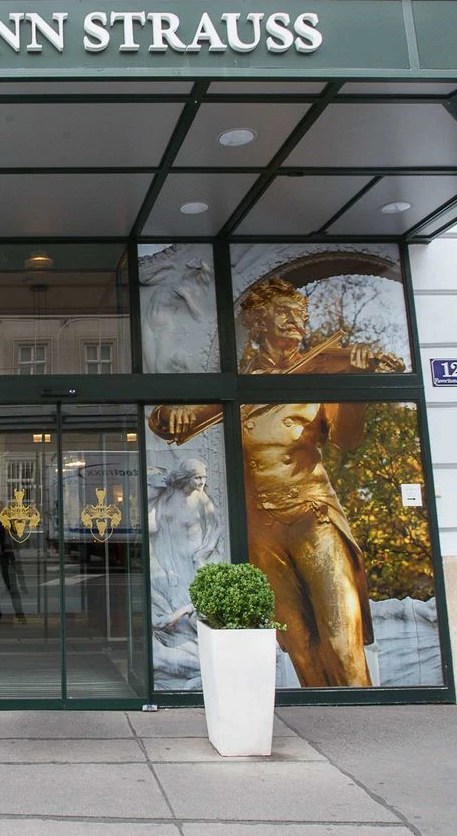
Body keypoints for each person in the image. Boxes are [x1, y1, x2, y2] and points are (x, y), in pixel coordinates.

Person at [153, 277, 396, 688]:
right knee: (299, 645)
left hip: (313, 516)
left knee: (342, 641)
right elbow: (169, 421)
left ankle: (362, 716)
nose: (297, 321)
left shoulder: (319, 372)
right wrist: (169, 415)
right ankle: (323, 713)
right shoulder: (239, 381)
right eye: (284, 313)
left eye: (301, 315)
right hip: (262, 532)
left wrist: (355, 387)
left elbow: (348, 440)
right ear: (258, 322)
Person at [147, 458, 223, 690]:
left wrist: (203, 554)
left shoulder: (201, 499)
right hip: (171, 558)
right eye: (197, 478)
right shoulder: (168, 497)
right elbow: (155, 528)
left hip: (193, 560)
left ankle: (200, 654)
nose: (201, 482)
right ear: (186, 477)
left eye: (204, 478)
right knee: (173, 602)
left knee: (194, 605)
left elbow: (215, 527)